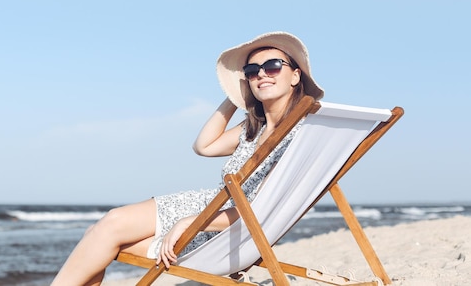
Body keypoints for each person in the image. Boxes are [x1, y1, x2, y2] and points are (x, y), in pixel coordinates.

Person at [50, 31, 324, 286]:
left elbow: (259, 211)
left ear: (295, 76)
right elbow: (204, 146)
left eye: (273, 66)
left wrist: (189, 223)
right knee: (98, 232)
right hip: (206, 208)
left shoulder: (298, 136)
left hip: (223, 226)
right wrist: (234, 97)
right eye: (252, 71)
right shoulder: (256, 128)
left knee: (104, 234)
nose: (261, 75)